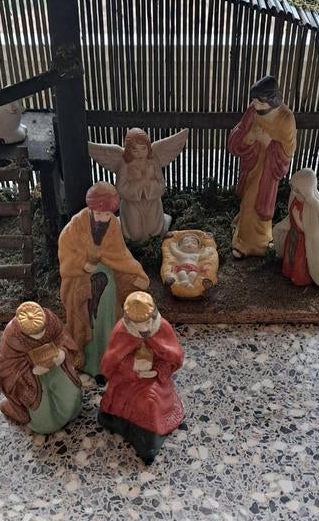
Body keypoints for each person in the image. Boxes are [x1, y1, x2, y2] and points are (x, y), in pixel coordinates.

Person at [58, 182, 150, 376]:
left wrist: (136, 273)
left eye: (107, 214)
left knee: (109, 305)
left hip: (108, 279)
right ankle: (90, 361)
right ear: (91, 209)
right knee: (85, 314)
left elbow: (120, 254)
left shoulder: (113, 224)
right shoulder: (75, 226)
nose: (103, 218)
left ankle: (111, 357)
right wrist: (83, 265)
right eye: (99, 214)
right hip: (80, 279)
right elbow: (66, 252)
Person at [98, 292, 185, 464]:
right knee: (126, 397)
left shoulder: (162, 327)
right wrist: (134, 367)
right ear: (129, 322)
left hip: (155, 379)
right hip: (127, 378)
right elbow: (112, 360)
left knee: (151, 401)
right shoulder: (122, 331)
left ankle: (151, 436)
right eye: (139, 325)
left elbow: (173, 357)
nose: (144, 329)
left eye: (147, 322)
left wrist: (157, 371)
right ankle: (126, 424)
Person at [228, 75, 297, 258]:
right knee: (247, 199)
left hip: (268, 170)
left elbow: (288, 150)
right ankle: (243, 231)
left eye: (260, 102)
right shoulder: (253, 111)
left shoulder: (286, 118)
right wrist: (250, 137)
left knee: (256, 202)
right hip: (252, 164)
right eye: (254, 100)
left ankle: (249, 244)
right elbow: (239, 132)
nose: (255, 105)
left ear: (272, 100)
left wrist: (269, 143)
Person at [0, 301, 82, 434]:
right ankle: (12, 407)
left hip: (56, 368)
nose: (40, 336)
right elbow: (5, 368)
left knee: (73, 401)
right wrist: (33, 369)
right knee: (45, 423)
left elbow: (62, 336)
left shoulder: (50, 320)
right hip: (30, 380)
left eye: (42, 331)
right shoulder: (12, 336)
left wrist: (62, 353)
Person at [87, 128, 189, 243]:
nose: (140, 154)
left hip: (152, 202)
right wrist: (145, 179)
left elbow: (161, 185)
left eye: (143, 148)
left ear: (148, 147)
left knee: (154, 232)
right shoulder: (125, 163)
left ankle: (161, 224)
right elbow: (121, 188)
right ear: (128, 150)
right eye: (135, 150)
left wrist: (150, 189)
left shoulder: (153, 160)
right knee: (135, 235)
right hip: (132, 204)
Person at [273, 169, 319, 288]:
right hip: (293, 235)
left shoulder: (312, 208)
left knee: (299, 262)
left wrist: (297, 219)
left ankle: (300, 277)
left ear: (306, 191)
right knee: (290, 257)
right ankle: (288, 270)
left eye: (298, 191)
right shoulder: (295, 198)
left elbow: (311, 230)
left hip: (303, 243)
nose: (294, 193)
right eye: (293, 189)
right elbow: (290, 218)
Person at [160, 230, 219, 299]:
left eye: (194, 243)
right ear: (180, 246)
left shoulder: (196, 255)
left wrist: (209, 250)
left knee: (193, 274)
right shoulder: (181, 254)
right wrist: (172, 246)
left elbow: (204, 255)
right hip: (182, 267)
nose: (189, 244)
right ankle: (184, 281)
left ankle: (189, 283)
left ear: (198, 248)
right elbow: (175, 251)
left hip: (193, 268)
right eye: (186, 242)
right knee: (181, 273)